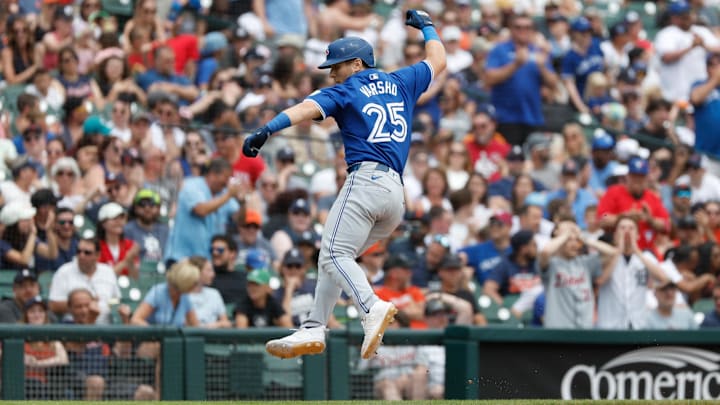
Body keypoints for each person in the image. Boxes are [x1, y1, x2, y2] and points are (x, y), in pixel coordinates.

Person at [247, 10, 446, 360]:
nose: (333, 73)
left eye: (337, 66)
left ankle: (370, 307)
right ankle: (313, 327)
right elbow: (438, 59)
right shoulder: (402, 81)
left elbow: (306, 108)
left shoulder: (348, 89)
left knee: (333, 253)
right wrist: (427, 26)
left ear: (356, 64)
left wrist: (267, 129)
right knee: (336, 257)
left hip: (366, 181)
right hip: (396, 195)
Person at [484, 13, 559, 145]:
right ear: (511, 29)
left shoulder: (538, 52)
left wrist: (542, 67)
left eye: (527, 27)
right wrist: (515, 64)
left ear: (532, 30)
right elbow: (489, 78)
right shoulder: (500, 50)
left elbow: (554, 83)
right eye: (518, 27)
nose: (522, 31)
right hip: (506, 119)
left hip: (533, 117)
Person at [539, 220, 619, 329]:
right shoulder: (552, 263)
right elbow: (545, 252)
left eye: (576, 240)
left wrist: (585, 238)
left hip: (584, 329)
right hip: (558, 331)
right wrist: (566, 235)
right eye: (568, 240)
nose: (574, 244)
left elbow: (613, 253)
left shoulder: (585, 262)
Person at [163, 158, 243, 265]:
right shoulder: (191, 186)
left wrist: (242, 201)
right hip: (182, 259)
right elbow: (201, 210)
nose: (227, 182)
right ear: (213, 174)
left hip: (207, 261)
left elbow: (239, 219)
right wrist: (228, 195)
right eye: (226, 177)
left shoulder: (223, 193)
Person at [48, 237, 120, 324]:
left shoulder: (108, 271)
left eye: (87, 253)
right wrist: (84, 304)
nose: (81, 256)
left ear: (97, 255)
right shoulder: (64, 272)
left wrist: (105, 302)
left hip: (104, 326)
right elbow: (53, 305)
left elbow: (116, 299)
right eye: (78, 251)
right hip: (74, 327)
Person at [21, 296, 69, 400]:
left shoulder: (52, 340)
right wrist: (20, 357)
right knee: (33, 384)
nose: (37, 315)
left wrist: (38, 364)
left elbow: (63, 359)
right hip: (21, 384)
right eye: (32, 311)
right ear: (26, 315)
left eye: (40, 311)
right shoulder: (18, 335)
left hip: (47, 388)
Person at [690, 52, 720, 172]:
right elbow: (695, 98)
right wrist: (715, 80)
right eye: (712, 65)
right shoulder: (699, 84)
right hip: (705, 155)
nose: (717, 68)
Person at [187, 256, 232, 328]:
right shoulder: (181, 295)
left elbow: (226, 323)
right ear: (196, 271)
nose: (213, 274)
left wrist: (215, 325)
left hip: (212, 337)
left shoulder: (214, 294)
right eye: (209, 270)